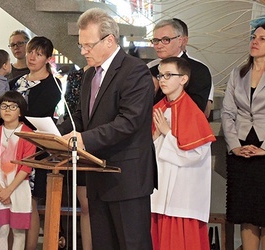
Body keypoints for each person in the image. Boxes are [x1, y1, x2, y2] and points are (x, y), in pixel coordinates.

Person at [58, 8, 156, 249]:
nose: (83, 51)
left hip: (127, 177)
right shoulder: (90, 75)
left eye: (88, 45)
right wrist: (54, 133)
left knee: (132, 244)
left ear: (109, 40)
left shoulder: (135, 71)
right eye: (81, 45)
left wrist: (83, 139)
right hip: (97, 176)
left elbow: (128, 122)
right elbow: (81, 119)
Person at [0, 36, 62, 250]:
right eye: (30, 52)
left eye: (38, 54)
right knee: (5, 200)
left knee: (29, 202)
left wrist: (5, 118)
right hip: (6, 146)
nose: (32, 57)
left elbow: (30, 115)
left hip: (34, 148)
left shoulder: (52, 85)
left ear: (47, 58)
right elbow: (1, 103)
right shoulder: (17, 81)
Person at [221, 23, 265, 250]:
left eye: (262, 39)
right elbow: (227, 112)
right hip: (241, 151)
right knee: (247, 213)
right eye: (254, 37)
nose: (255, 41)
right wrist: (234, 146)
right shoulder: (237, 73)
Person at [151, 57, 216, 249]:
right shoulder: (157, 109)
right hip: (158, 192)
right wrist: (154, 138)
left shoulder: (193, 113)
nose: (162, 79)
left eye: (169, 75)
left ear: (184, 79)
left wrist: (167, 134)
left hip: (182, 194)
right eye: (160, 75)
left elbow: (194, 155)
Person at [0, 91, 36, 250]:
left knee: (19, 231)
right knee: (1, 229)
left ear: (20, 111)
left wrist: (9, 190)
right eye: (4, 106)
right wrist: (1, 190)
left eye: (13, 107)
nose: (7, 110)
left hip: (18, 187)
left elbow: (26, 167)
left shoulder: (28, 134)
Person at [147, 19, 212, 113]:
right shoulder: (151, 71)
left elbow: (196, 111)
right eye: (156, 41)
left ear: (180, 41)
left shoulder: (198, 70)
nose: (159, 45)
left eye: (165, 40)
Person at [62, 64, 92, 250]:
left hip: (101, 146)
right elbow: (75, 114)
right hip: (77, 145)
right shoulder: (78, 77)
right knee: (85, 206)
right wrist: (58, 133)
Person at [172, 18, 215, 119]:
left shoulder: (200, 70)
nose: (160, 45)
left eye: (166, 39)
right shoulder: (151, 67)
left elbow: (204, 112)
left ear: (183, 40)